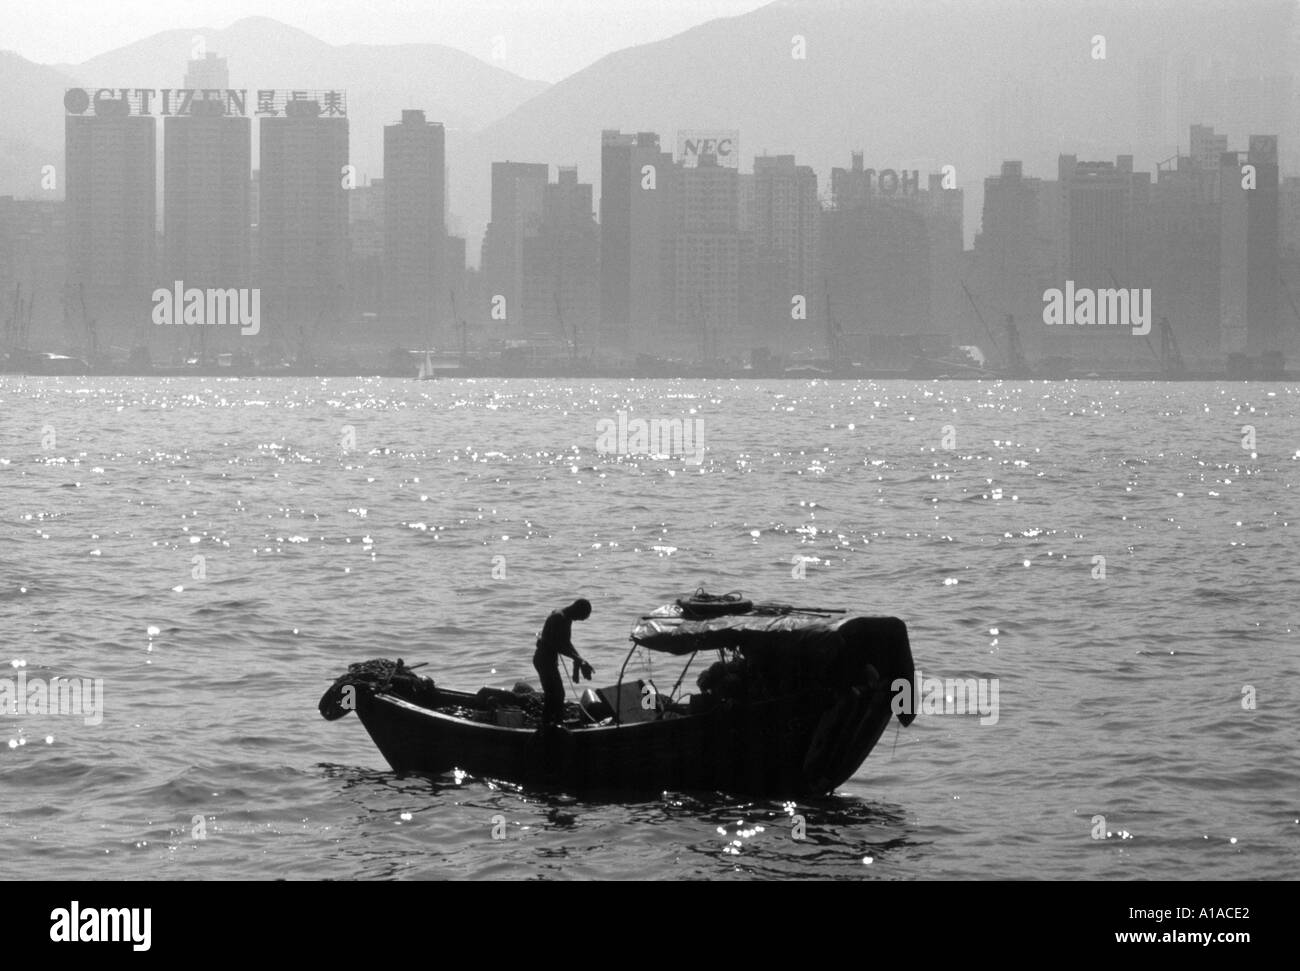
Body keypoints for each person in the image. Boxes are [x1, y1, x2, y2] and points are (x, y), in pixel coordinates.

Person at [533, 599, 594, 727]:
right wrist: (578, 660)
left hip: (549, 660)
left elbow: (567, 643)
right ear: (577, 609)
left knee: (556, 694)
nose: (580, 620)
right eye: (582, 617)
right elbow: (557, 645)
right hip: (543, 660)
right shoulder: (559, 617)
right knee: (555, 694)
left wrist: (580, 660)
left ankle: (555, 723)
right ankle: (548, 726)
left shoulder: (566, 617)